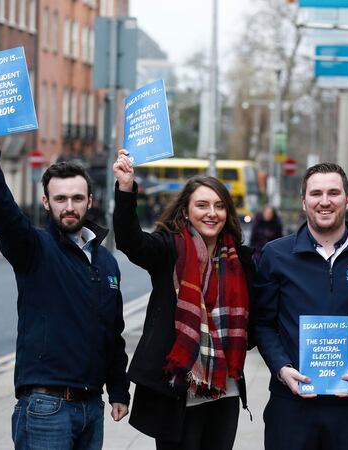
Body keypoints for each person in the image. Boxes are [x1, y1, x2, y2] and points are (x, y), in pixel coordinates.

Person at [0, 125, 130, 449]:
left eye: (76, 198)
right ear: (46, 202)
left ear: (89, 201)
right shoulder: (34, 249)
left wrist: (118, 390)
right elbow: (5, 217)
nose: (68, 206)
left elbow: (112, 332)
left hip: (92, 407)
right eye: (60, 198)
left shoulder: (106, 262)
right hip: (46, 408)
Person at [254, 162, 348, 450]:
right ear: (304, 201)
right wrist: (281, 368)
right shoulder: (276, 255)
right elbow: (262, 323)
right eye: (316, 193)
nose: (325, 201)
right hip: (291, 405)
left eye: (333, 193)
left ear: (347, 200)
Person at [112, 150, 256, 450]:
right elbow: (130, 241)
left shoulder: (240, 258)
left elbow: (255, 316)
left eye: (218, 206)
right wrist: (126, 189)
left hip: (224, 389)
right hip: (177, 388)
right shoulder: (168, 250)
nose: (211, 213)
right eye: (201, 205)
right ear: (186, 211)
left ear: (227, 212)